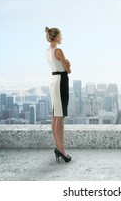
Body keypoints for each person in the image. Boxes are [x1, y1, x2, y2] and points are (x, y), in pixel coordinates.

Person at [45, 27, 72, 163]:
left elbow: (58, 66)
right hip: (61, 81)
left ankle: (58, 147)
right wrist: (68, 65)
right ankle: (61, 150)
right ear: (56, 37)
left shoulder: (48, 51)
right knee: (60, 118)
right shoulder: (58, 51)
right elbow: (68, 70)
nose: (61, 38)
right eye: (60, 36)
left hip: (54, 81)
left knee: (55, 115)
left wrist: (65, 65)